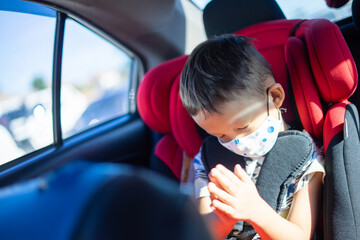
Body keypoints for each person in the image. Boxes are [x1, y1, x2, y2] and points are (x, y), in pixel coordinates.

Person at [179, 35, 325, 240]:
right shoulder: (208, 161)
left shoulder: (307, 158)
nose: (236, 142)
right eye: (221, 135)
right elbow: (202, 233)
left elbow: (301, 235)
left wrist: (255, 211)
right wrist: (225, 218)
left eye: (243, 127)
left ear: (274, 97)